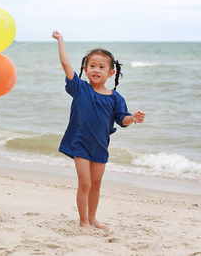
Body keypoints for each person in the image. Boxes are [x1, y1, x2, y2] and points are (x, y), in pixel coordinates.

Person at [52, 31, 145, 231]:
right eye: (92, 66)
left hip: (100, 146)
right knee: (84, 183)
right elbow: (66, 65)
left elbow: (123, 120)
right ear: (85, 69)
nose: (96, 70)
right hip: (80, 143)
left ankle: (93, 218)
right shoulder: (80, 88)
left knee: (96, 184)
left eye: (102, 67)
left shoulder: (115, 98)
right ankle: (83, 221)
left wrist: (134, 118)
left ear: (110, 73)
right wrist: (61, 41)